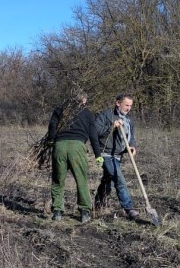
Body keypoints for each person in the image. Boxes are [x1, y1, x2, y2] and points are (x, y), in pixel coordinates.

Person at [48, 92, 103, 223]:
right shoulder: (88, 113)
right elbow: (93, 136)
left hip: (60, 145)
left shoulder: (60, 110)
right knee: (81, 179)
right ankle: (84, 212)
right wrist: (98, 155)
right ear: (83, 101)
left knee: (58, 180)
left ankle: (57, 212)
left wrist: (51, 140)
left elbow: (52, 125)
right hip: (77, 147)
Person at [94, 94, 140, 219]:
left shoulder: (129, 120)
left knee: (107, 181)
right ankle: (128, 208)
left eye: (130, 106)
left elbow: (131, 137)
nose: (128, 108)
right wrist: (112, 126)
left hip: (118, 155)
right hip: (106, 153)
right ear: (118, 103)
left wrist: (131, 147)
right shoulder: (106, 115)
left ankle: (98, 204)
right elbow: (96, 131)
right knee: (119, 179)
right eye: (126, 105)